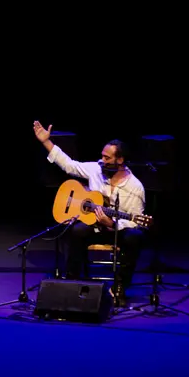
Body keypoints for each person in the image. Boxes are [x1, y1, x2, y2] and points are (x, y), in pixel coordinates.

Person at [34, 120, 145, 305]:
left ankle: (119, 288)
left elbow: (136, 220)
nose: (103, 160)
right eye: (102, 156)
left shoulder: (135, 187)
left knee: (135, 236)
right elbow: (69, 165)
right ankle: (71, 284)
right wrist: (46, 142)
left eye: (108, 158)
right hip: (95, 227)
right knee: (76, 231)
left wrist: (113, 224)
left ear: (120, 160)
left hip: (117, 231)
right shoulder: (96, 169)